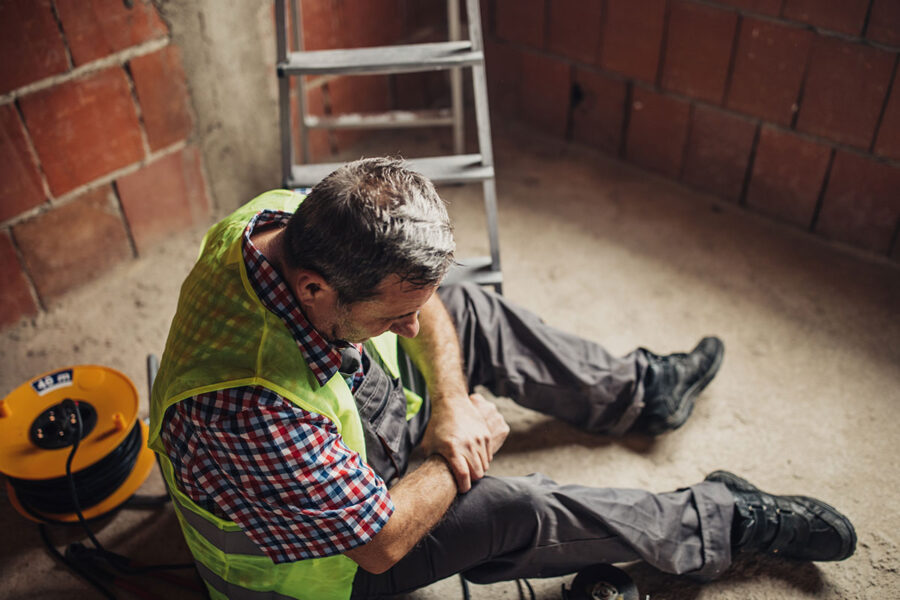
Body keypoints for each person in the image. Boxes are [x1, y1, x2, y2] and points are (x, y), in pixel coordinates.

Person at [148, 158, 856, 600]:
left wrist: (451, 404)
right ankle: (722, 519)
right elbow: (381, 541)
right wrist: (459, 449)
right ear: (312, 290)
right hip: (323, 571)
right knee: (513, 506)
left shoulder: (289, 217)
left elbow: (429, 311)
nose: (411, 327)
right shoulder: (245, 409)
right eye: (393, 314)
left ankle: (640, 393)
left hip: (341, 420)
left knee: (468, 311)